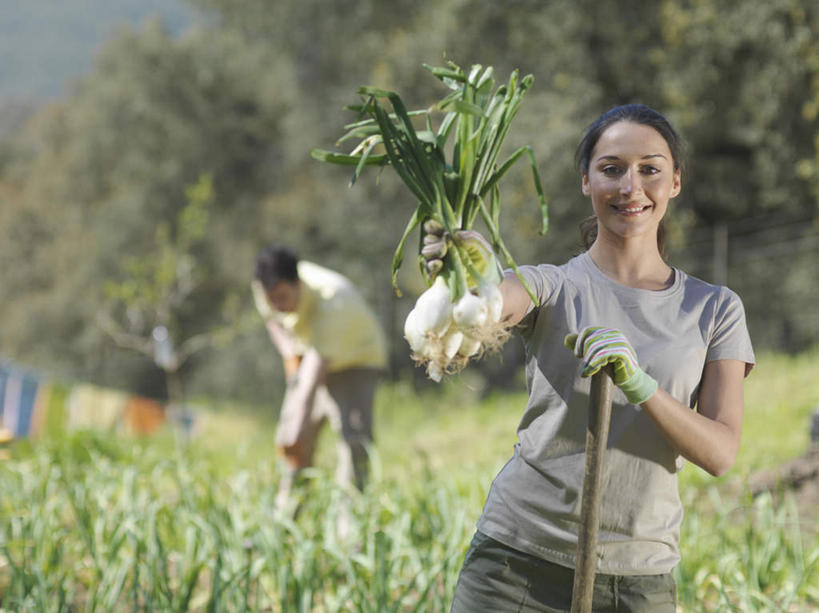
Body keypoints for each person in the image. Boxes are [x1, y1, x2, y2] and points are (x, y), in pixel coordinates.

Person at [448, 104, 755, 612]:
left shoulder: (714, 309)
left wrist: (643, 387)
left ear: (675, 182)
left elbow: (720, 453)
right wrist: (471, 277)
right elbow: (493, 304)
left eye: (650, 169)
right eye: (612, 169)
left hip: (637, 580)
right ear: (586, 181)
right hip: (516, 566)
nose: (631, 187)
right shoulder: (552, 285)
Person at [252, 245, 388, 511]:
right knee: (291, 443)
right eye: (271, 299)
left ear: (298, 283)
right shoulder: (264, 285)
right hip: (309, 354)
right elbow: (272, 320)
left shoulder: (332, 298)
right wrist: (289, 354)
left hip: (356, 360)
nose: (277, 305)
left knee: (353, 442)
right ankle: (287, 517)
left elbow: (312, 380)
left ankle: (349, 523)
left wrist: (297, 426)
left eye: (282, 297)